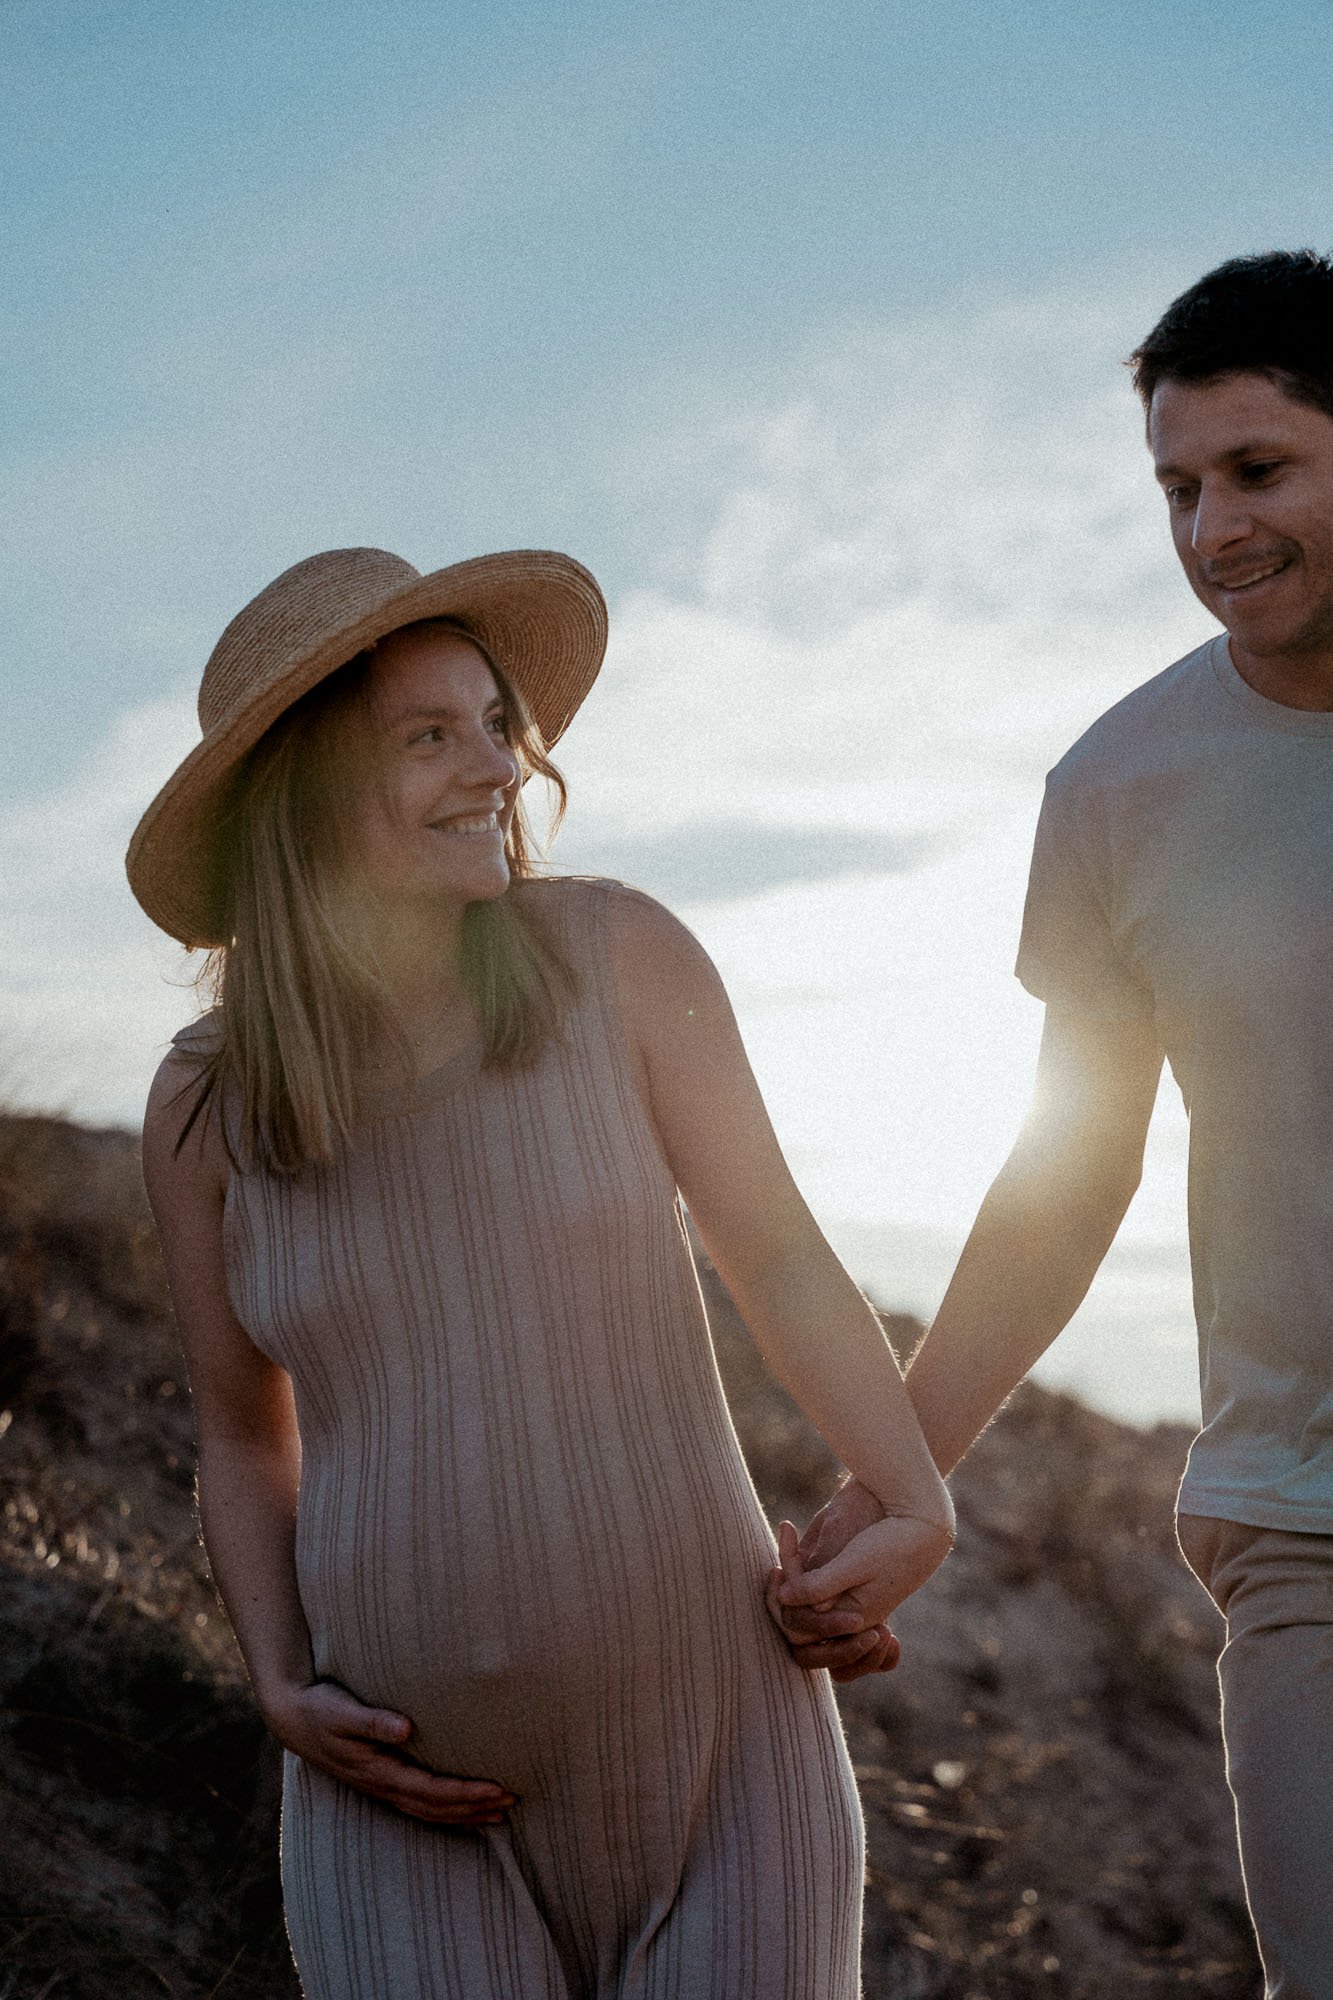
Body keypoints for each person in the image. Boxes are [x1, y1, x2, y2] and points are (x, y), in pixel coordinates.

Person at [128, 543, 955, 2000]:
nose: (495, 771)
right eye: (429, 737)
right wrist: (275, 1678)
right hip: (398, 1816)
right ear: (307, 789)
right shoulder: (204, 1106)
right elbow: (237, 1428)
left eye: (496, 725)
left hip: (725, 1788)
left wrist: (909, 1489)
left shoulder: (615, 955)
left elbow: (772, 1251)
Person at [774, 250, 1333, 1997]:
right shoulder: (1117, 789)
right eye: (1176, 487)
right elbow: (1069, 1164)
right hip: (1298, 1518)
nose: (1209, 530)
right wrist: (896, 1467)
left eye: (1258, 471)